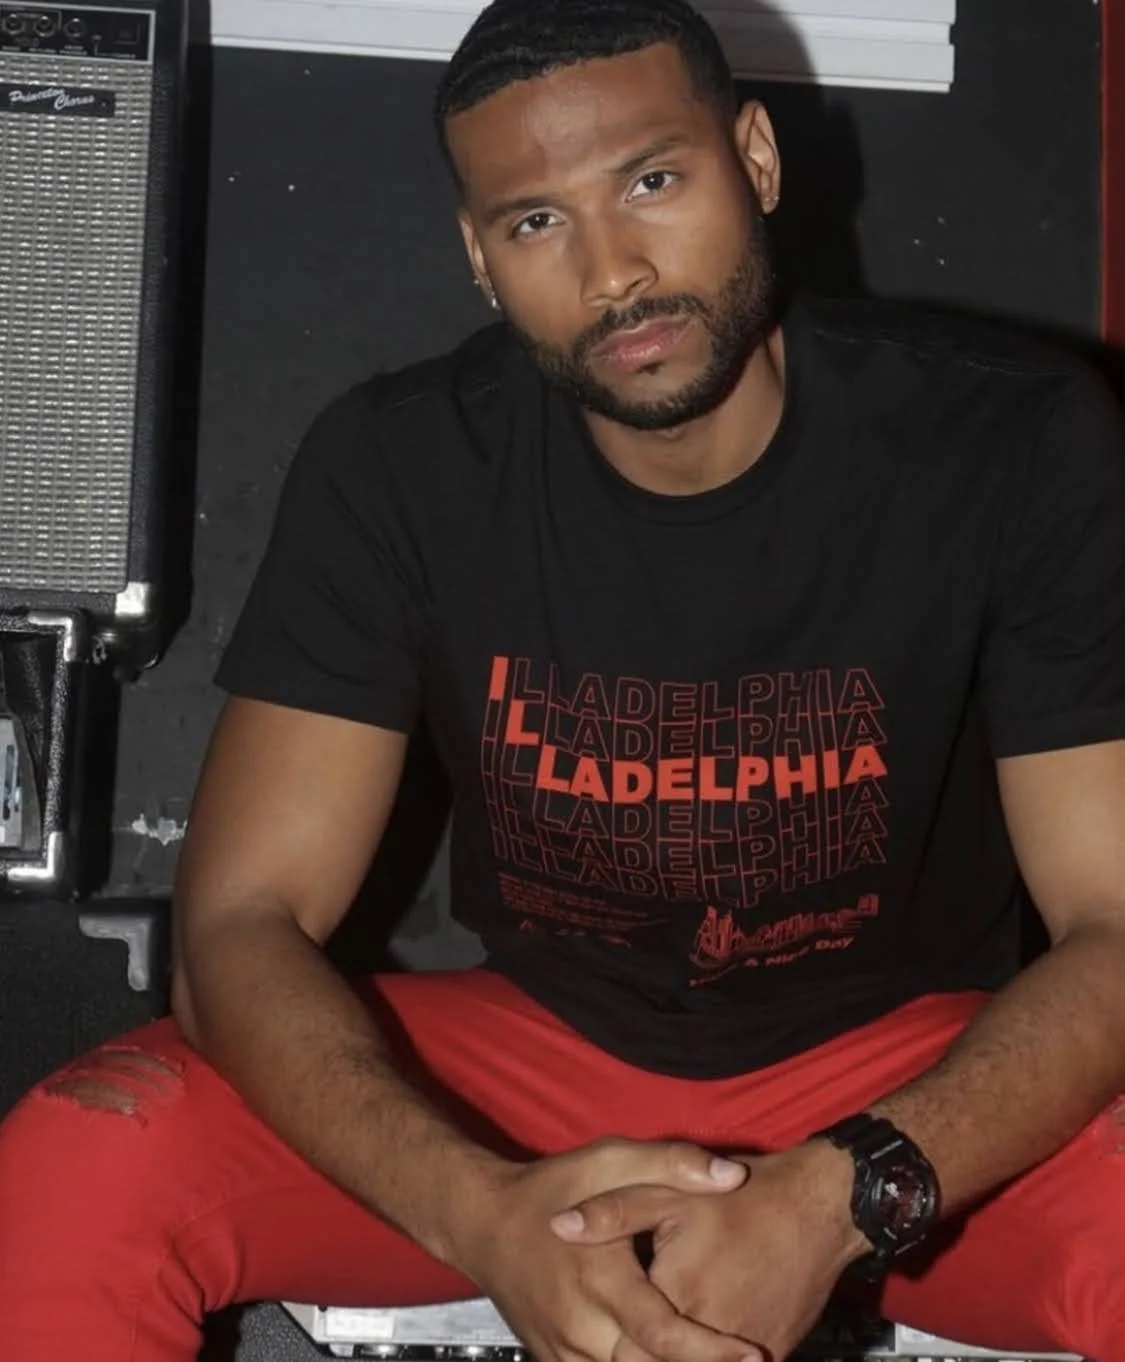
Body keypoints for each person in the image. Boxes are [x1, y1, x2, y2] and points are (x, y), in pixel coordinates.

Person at [3, 1, 1125, 1358]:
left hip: (911, 1079)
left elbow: (1113, 925)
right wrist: (482, 1213)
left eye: (652, 181)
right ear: (480, 258)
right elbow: (241, 921)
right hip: (533, 1079)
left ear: (756, 161)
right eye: (538, 221)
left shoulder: (1007, 439)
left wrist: (842, 1196)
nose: (613, 273)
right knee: (80, 1166)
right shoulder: (401, 466)